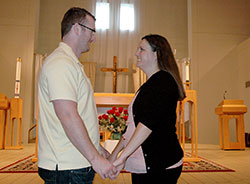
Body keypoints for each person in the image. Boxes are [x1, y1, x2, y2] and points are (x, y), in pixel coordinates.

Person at [38, 7, 117, 184]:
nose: (94, 38)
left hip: (74, 164)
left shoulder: (70, 64)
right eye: (92, 31)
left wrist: (99, 151)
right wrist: (96, 159)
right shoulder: (61, 63)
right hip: (67, 167)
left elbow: (80, 114)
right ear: (77, 28)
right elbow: (67, 115)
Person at [109, 34, 186, 183]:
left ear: (156, 54)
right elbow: (132, 126)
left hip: (161, 164)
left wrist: (123, 157)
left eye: (141, 49)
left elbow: (147, 125)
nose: (136, 53)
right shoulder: (150, 84)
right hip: (145, 164)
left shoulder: (164, 81)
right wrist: (115, 154)